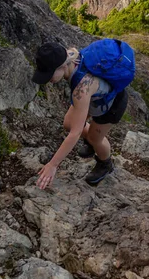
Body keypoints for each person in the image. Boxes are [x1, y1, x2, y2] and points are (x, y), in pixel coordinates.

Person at [31, 42, 129, 189]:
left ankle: (105, 164)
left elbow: (75, 133)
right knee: (68, 123)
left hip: (111, 104)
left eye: (50, 74)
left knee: (94, 138)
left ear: (63, 66)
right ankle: (91, 140)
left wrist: (52, 165)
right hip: (94, 97)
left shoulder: (81, 89)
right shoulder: (70, 55)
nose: (47, 80)